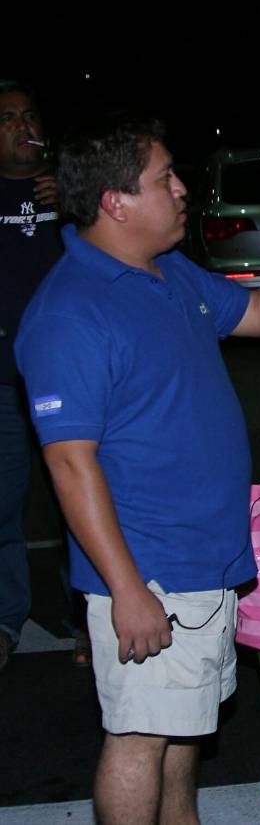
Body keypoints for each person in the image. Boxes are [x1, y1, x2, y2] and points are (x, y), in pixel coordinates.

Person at [16, 113, 260, 825]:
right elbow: (68, 463)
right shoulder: (70, 312)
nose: (183, 189)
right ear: (116, 202)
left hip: (206, 560)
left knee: (181, 729)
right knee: (138, 737)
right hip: (151, 568)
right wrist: (127, 589)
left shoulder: (167, 271)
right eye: (165, 178)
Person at [0, 80, 61, 670]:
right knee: (3, 504)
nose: (22, 126)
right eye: (7, 118)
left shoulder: (71, 193)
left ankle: (92, 614)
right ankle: (4, 617)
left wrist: (76, 206)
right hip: (4, 381)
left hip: (70, 377)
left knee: (84, 498)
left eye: (29, 115)